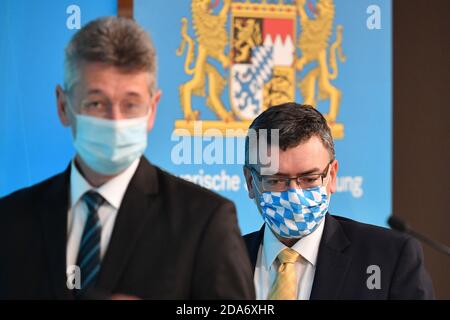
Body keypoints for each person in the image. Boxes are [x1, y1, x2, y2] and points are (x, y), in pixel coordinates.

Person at [0, 17, 254, 300]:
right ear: (62, 106)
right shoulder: (10, 220)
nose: (115, 120)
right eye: (96, 103)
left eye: (131, 104)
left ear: (152, 109)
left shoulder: (205, 221)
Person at [243, 102, 434, 299]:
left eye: (309, 179)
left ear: (332, 176)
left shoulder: (391, 258)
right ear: (250, 181)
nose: (294, 194)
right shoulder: (217, 261)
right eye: (276, 180)